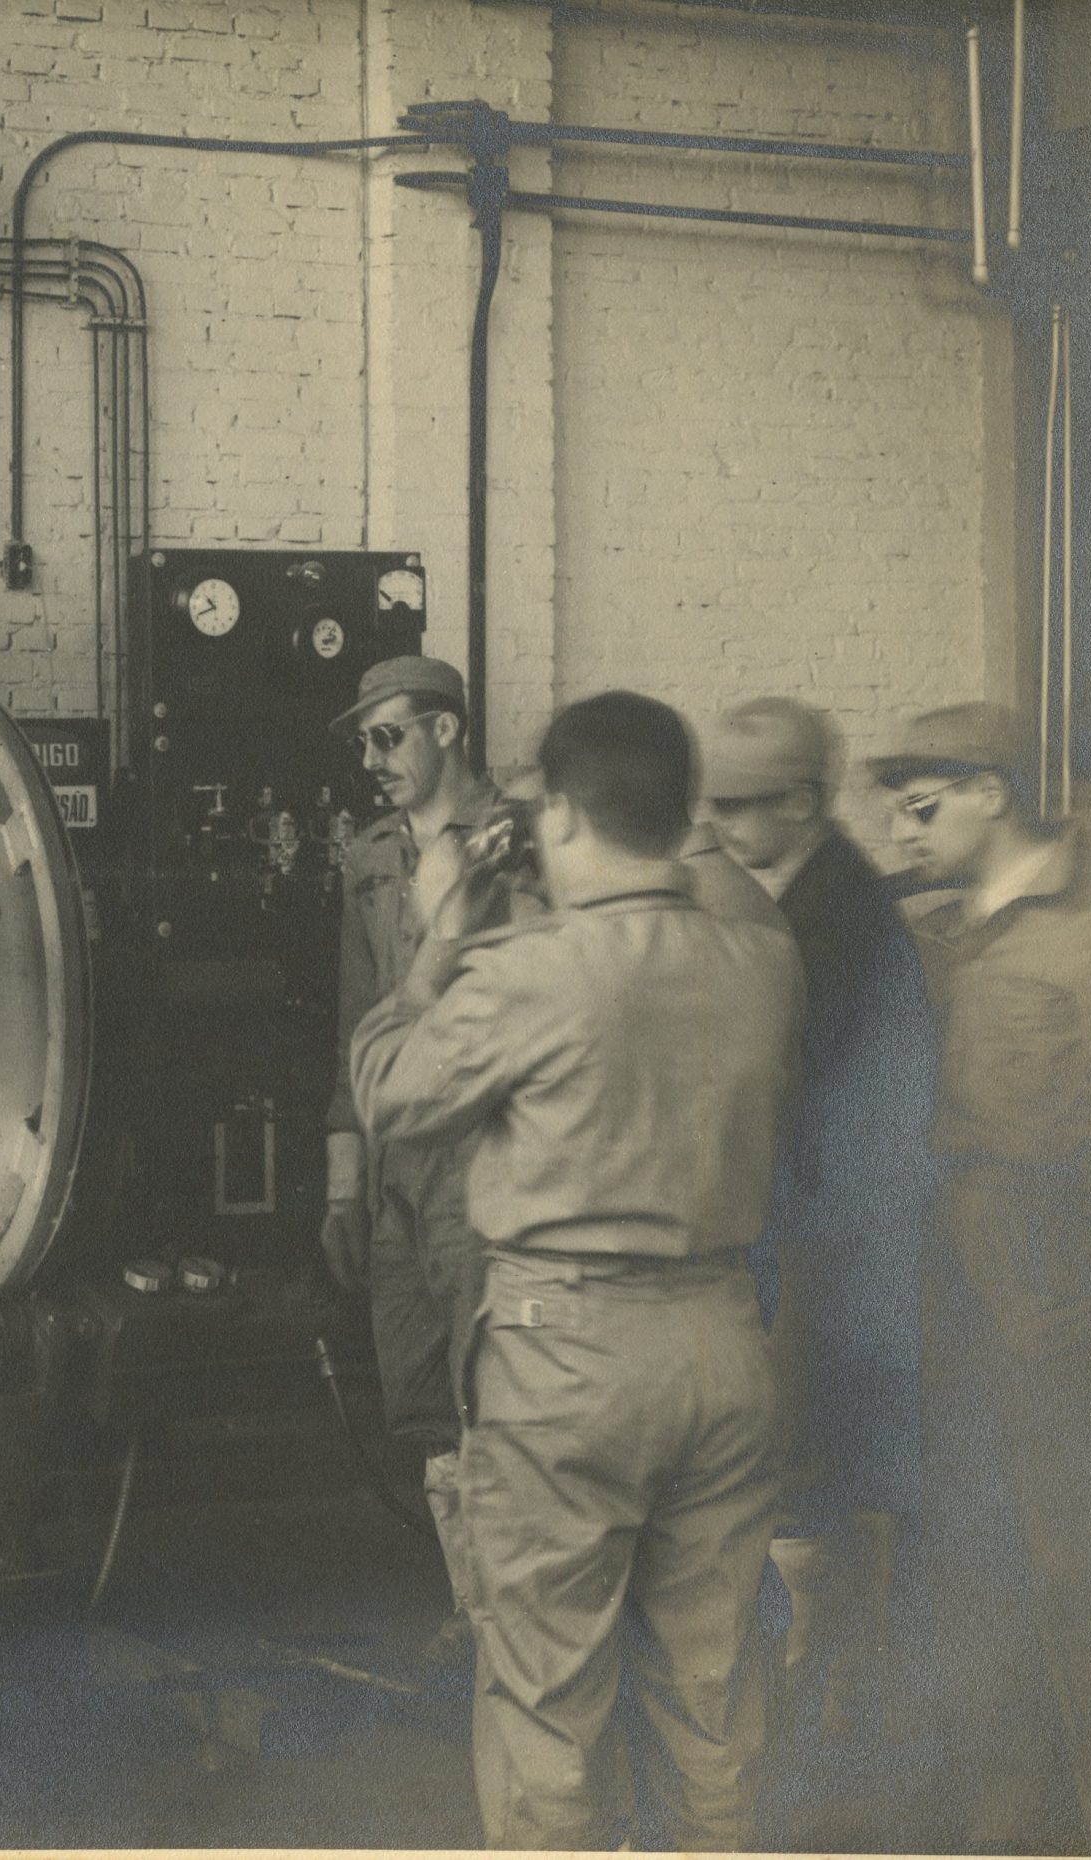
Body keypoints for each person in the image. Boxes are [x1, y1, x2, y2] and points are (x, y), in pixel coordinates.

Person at [352, 691, 802, 1850]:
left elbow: (392, 1094)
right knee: (713, 1695)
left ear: (554, 814)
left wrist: (439, 939)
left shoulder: (529, 975)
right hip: (724, 1343)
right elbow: (700, 902)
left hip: (565, 1362)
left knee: (548, 1697)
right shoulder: (761, 961)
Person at [871, 702, 1091, 1854]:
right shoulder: (942, 935)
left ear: (992, 792)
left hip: (1057, 1331)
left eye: (920, 807)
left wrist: (1070, 1310)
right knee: (973, 1589)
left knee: (1085, 1598)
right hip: (957, 1323)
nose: (899, 830)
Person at [700, 697, 938, 1836]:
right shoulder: (792, 899)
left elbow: (847, 1119)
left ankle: (826, 1731)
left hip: (829, 1251)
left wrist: (794, 1270)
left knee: (815, 1478)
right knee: (810, 1478)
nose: (714, 823)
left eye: (735, 804)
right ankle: (825, 1712)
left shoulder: (840, 922)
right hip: (805, 1239)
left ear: (799, 802)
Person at [318, 654, 513, 1661]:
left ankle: (514, 1622)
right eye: (363, 742)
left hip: (485, 1160)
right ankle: (470, 1609)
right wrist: (343, 1183)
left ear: (447, 729)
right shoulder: (369, 857)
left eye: (387, 735)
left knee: (498, 1389)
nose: (371, 759)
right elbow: (355, 1020)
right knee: (424, 1398)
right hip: (398, 1165)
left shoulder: (518, 842)